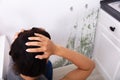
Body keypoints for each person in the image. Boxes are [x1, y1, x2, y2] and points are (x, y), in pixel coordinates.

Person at [9, 27, 95, 80]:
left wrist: (19, 41)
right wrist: (56, 49)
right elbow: (89, 66)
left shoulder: (14, 59)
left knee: (49, 65)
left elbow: (42, 29)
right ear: (45, 59)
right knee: (49, 66)